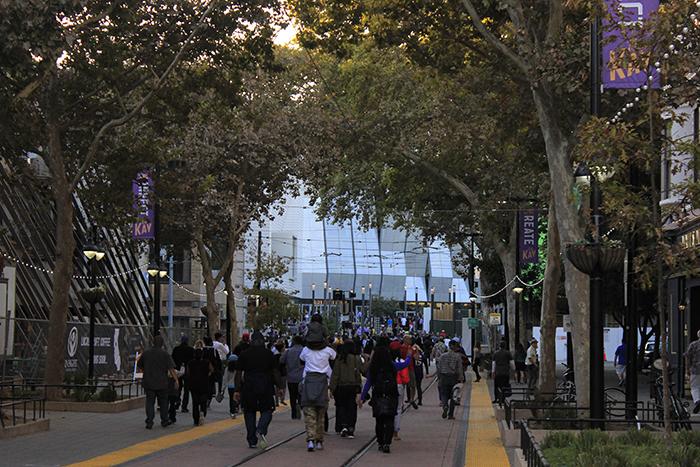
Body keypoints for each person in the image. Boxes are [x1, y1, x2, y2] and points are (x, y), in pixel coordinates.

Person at [234, 331, 283, 449]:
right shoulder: (269, 354)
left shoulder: (244, 354)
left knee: (249, 412)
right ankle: (261, 429)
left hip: (249, 386)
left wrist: (237, 390)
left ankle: (252, 440)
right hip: (265, 385)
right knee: (267, 410)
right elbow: (275, 372)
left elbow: (238, 373)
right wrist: (280, 387)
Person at [359, 338, 409, 454]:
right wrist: (409, 356)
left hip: (378, 394)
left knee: (379, 420)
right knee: (390, 419)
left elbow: (368, 383)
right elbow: (404, 365)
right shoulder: (392, 365)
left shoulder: (374, 368)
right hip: (391, 394)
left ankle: (381, 442)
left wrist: (362, 397)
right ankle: (387, 443)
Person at [299, 338, 337, 451]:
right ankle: (319, 441)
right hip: (322, 382)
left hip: (309, 382)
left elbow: (301, 359)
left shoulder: (305, 350)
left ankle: (310, 440)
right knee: (321, 415)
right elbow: (334, 357)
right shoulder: (328, 350)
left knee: (309, 414)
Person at [138, 335, 178, 429]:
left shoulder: (146, 353)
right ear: (162, 343)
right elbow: (171, 369)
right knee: (163, 402)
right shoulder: (165, 354)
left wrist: (145, 371)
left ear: (153, 342)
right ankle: (164, 420)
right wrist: (176, 379)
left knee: (150, 402)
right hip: (162, 382)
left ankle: (149, 421)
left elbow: (139, 364)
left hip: (149, 381)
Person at [330, 339, 362, 438]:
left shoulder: (339, 358)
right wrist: (359, 388)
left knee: (341, 407)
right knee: (352, 408)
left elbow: (335, 374)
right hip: (352, 386)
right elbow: (359, 374)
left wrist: (332, 388)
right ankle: (350, 427)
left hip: (341, 387)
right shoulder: (357, 358)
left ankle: (343, 426)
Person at [436, 339, 464, 420]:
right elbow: (459, 368)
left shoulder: (442, 356)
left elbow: (439, 367)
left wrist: (439, 377)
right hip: (453, 377)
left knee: (444, 393)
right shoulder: (457, 356)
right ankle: (451, 415)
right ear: (454, 347)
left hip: (444, 377)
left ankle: (445, 406)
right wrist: (461, 378)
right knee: (453, 396)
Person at [187, 342, 213, 426]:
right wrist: (207, 375)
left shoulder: (190, 363)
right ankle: (203, 412)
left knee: (195, 403)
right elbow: (211, 370)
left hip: (193, 385)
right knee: (203, 401)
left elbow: (188, 373)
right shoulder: (206, 362)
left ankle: (195, 419)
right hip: (204, 384)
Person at [281, 335, 305, 419]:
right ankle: (301, 406)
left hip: (291, 378)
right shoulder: (305, 351)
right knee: (301, 394)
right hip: (302, 378)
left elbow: (281, 360)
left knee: (292, 396)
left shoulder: (288, 351)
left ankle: (294, 412)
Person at [172, 335, 194, 413]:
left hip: (177, 370)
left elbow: (172, 359)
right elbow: (192, 361)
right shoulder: (191, 350)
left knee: (178, 386)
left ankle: (177, 401)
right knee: (186, 389)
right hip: (187, 371)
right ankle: (184, 406)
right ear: (187, 341)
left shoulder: (176, 349)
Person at [685, 329, 700, 414]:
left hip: (695, 369)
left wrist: (687, 370)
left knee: (694, 387)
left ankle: (698, 401)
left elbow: (687, 357)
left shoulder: (693, 345)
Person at [222, 354, 239, 418]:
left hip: (230, 386)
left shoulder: (227, 368)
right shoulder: (238, 368)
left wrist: (223, 388)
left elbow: (225, 378)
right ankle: (236, 408)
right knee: (237, 398)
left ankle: (232, 412)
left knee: (231, 399)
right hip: (237, 386)